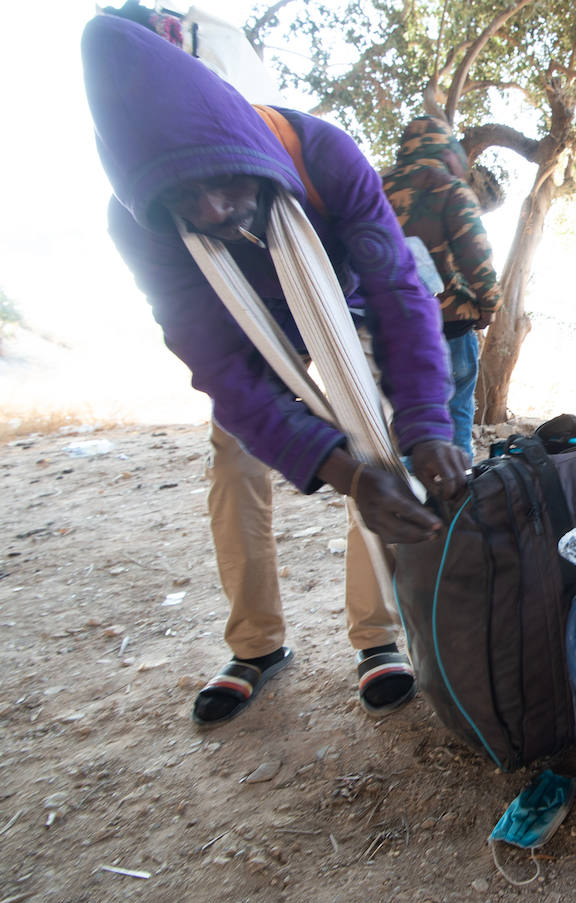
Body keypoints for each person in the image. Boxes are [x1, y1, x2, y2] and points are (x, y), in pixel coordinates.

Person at [82, 14, 469, 726]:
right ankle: (256, 646)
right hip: (246, 329)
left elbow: (399, 294)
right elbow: (218, 365)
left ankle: (378, 637)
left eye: (219, 180)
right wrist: (340, 475)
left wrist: (423, 426)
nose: (212, 210)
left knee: (380, 448)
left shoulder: (319, 152)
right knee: (234, 464)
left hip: (341, 308)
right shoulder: (137, 221)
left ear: (244, 145)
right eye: (180, 201)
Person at [382, 116, 503, 459]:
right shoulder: (448, 188)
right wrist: (489, 304)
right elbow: (475, 255)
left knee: (407, 423)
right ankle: (458, 500)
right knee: (456, 418)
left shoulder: (375, 187)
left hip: (395, 328)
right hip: (450, 326)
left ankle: (409, 502)